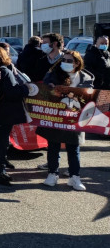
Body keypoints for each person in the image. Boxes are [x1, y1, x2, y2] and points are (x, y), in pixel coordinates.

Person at [37, 50, 94, 191]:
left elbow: (90, 97)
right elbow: (43, 91)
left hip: (75, 119)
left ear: (77, 63)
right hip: (56, 117)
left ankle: (74, 177)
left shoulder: (86, 78)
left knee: (74, 148)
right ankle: (52, 174)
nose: (65, 63)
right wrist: (49, 89)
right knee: (53, 146)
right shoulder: (53, 74)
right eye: (64, 60)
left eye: (69, 61)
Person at [0, 46, 32, 186]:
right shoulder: (4, 72)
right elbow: (12, 93)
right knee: (1, 143)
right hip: (4, 113)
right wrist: (25, 88)